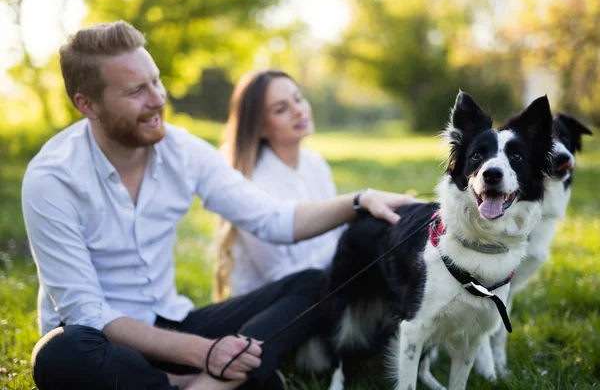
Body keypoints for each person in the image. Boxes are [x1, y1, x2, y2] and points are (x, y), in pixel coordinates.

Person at [22, 21, 420, 390]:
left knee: (313, 282)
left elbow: (271, 219)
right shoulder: (53, 179)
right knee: (59, 354)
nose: (158, 99)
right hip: (102, 344)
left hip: (174, 323)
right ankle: (215, 381)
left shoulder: (182, 150)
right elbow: (87, 313)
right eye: (135, 92)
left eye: (156, 82)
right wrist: (207, 354)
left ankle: (206, 381)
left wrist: (358, 201)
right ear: (87, 105)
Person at [214, 69, 343, 301]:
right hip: (273, 308)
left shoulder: (315, 164)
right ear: (260, 126)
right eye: (281, 109)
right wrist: (348, 246)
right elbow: (281, 279)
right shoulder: (252, 186)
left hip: (324, 291)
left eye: (298, 98)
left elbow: (334, 233)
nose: (298, 110)